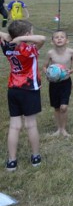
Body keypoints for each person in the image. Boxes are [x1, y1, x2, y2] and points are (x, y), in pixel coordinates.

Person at [1, 20, 46, 171]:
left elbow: (5, 36)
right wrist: (20, 39)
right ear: (27, 35)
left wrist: (13, 37)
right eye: (31, 32)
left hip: (13, 89)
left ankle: (12, 161)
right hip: (29, 89)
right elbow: (42, 39)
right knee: (30, 124)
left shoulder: (6, 46)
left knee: (14, 126)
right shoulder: (28, 49)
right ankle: (35, 156)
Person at [44, 30, 73, 137]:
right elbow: (45, 66)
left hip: (65, 82)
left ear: (67, 40)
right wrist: (47, 74)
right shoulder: (50, 53)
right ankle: (58, 129)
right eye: (56, 37)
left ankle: (63, 129)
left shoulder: (71, 52)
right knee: (56, 107)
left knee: (64, 107)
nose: (59, 39)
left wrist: (70, 71)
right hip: (54, 83)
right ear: (52, 41)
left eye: (62, 37)